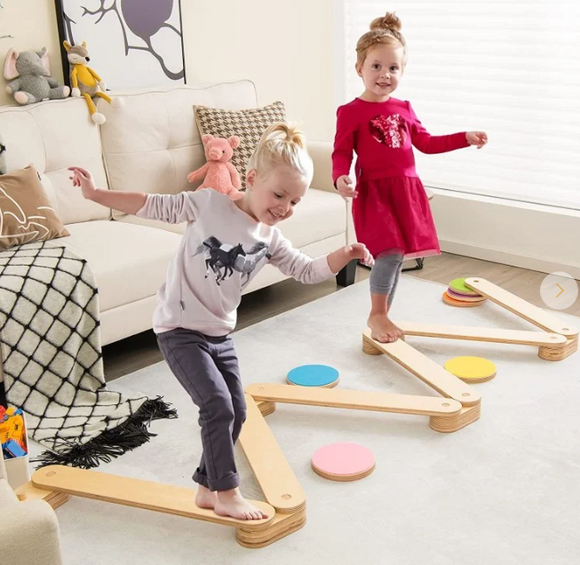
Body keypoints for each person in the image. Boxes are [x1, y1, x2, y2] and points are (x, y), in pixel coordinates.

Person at [69, 122, 372, 520]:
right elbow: (148, 203)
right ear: (250, 179)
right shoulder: (208, 205)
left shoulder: (270, 238)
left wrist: (344, 253)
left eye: (295, 201)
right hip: (178, 329)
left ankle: (205, 487)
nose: (285, 207)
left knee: (238, 410)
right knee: (217, 406)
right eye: (279, 194)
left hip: (219, 333)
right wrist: (95, 194)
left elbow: (307, 270)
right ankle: (227, 492)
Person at [333, 12, 488, 343]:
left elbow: (428, 144)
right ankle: (377, 313)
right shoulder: (350, 112)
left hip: (406, 191)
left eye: (393, 68)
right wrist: (340, 178)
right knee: (388, 253)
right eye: (376, 66)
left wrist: (465, 136)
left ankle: (382, 317)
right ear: (359, 67)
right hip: (374, 193)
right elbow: (341, 152)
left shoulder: (404, 107)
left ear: (402, 71)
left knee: (398, 255)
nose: (384, 74)